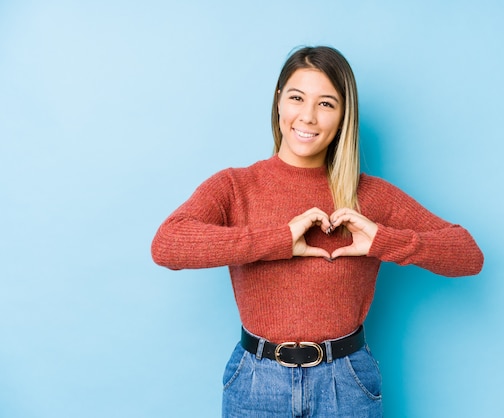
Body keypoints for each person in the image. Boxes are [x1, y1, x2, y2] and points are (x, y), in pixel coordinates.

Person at [151, 45, 483, 417]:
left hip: (346, 383)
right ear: (279, 102)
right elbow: (167, 244)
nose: (307, 116)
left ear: (343, 117)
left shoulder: (370, 195)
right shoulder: (235, 186)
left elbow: (468, 254)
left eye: (326, 104)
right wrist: (278, 239)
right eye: (296, 98)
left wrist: (384, 241)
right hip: (256, 383)